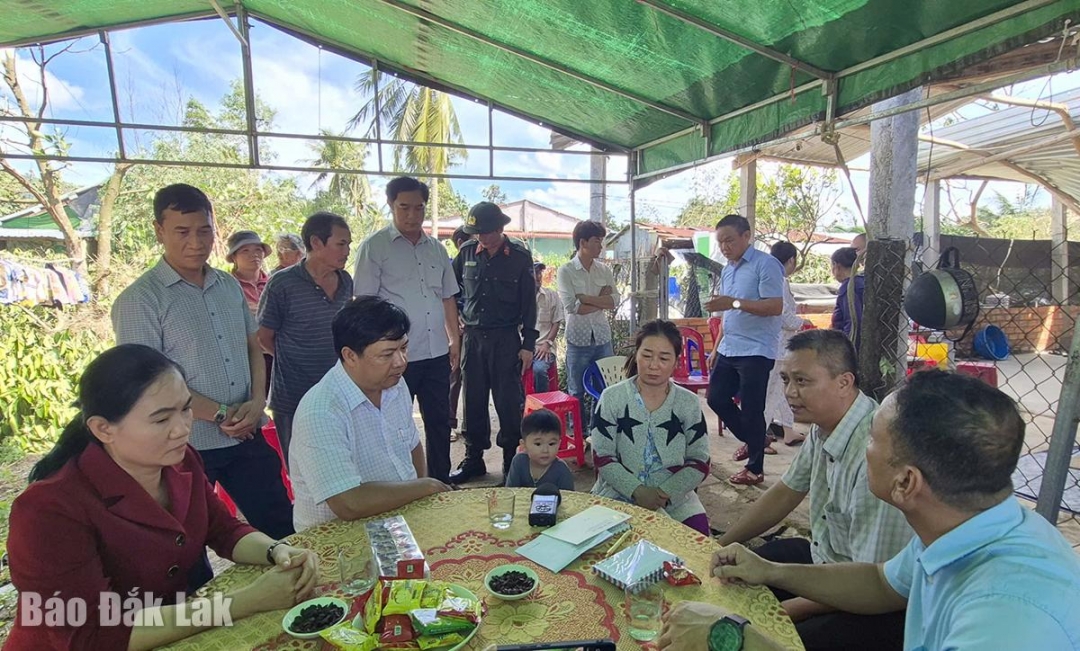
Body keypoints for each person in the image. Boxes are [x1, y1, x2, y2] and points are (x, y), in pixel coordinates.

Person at [662, 370, 1080, 651]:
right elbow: (882, 582)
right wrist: (771, 571)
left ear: (906, 482)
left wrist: (732, 636)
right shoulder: (968, 527)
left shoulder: (1006, 617)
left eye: (873, 441)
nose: (864, 446)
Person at [5, 344, 319, 651]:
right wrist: (245, 601)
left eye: (185, 409)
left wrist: (277, 551)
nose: (181, 429)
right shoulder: (48, 510)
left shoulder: (181, 461)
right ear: (103, 429)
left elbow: (223, 529)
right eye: (161, 419)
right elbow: (93, 635)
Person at [112, 183, 293, 540]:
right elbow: (149, 384)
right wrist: (223, 414)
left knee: (281, 528)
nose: (195, 242)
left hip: (247, 435)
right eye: (182, 232)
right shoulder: (140, 301)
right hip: (183, 445)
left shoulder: (227, 286)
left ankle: (293, 593)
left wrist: (258, 403)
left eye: (204, 230)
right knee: (184, 543)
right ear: (159, 231)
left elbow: (253, 345)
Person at [717, 329, 912, 650]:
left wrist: (780, 612)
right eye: (786, 380)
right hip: (825, 557)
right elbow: (786, 491)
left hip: (870, 601)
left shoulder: (877, 460)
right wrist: (720, 543)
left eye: (803, 381)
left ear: (844, 383)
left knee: (761, 636)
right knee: (732, 576)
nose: (790, 393)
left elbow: (873, 583)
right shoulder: (826, 427)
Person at [289, 296, 452, 531]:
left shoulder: (395, 384)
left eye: (404, 348)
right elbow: (348, 503)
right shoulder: (321, 411)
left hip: (397, 522)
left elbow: (412, 446)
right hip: (337, 541)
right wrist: (424, 488)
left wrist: (417, 496)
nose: (401, 362)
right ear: (350, 356)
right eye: (387, 355)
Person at [353, 177, 461, 483]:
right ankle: (400, 484)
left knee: (440, 420)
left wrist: (454, 341)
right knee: (395, 421)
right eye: (404, 208)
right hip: (395, 357)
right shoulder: (374, 247)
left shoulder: (437, 249)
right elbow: (364, 303)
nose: (412, 215)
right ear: (390, 205)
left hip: (436, 351)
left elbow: (447, 298)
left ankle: (439, 480)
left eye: (418, 208)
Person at [591, 319, 712, 535]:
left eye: (664, 358)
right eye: (646, 355)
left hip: (676, 500)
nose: (654, 365)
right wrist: (636, 490)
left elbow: (700, 459)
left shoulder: (688, 402)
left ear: (676, 362)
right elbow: (602, 455)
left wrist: (665, 493)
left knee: (697, 545)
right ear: (636, 355)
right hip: (617, 493)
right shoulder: (612, 398)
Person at [450, 202, 538, 482]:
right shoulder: (465, 254)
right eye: (477, 233)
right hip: (473, 340)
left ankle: (511, 462)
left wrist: (528, 344)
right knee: (473, 401)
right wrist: (456, 322)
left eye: (487, 232)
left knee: (508, 402)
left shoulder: (519, 257)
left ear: (500, 229)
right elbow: (449, 292)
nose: (482, 238)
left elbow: (529, 304)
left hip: (506, 339)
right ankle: (474, 459)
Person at [257, 212, 353, 465]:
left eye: (349, 244)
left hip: (337, 390)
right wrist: (295, 357)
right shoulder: (282, 283)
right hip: (293, 395)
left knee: (341, 463)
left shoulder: (346, 281)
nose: (347, 251)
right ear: (317, 243)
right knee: (301, 469)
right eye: (341, 244)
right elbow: (264, 337)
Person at [704, 214, 784, 486]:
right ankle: (755, 440)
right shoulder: (728, 269)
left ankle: (755, 468)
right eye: (721, 242)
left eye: (729, 240)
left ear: (746, 236)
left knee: (752, 409)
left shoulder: (767, 264)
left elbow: (775, 306)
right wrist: (716, 347)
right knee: (715, 398)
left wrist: (734, 303)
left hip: (756, 349)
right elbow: (727, 313)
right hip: (730, 346)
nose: (725, 247)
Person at [557, 220, 619, 425]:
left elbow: (614, 301)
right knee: (576, 390)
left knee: (604, 386)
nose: (601, 246)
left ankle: (597, 431)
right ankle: (579, 434)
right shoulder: (566, 270)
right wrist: (600, 301)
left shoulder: (604, 270)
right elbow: (572, 307)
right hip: (578, 339)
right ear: (582, 242)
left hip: (602, 337)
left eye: (601, 241)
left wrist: (586, 298)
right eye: (597, 241)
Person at [763, 242, 810, 447]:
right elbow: (782, 314)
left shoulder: (775, 279)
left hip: (780, 346)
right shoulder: (779, 281)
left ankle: (788, 430)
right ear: (791, 260)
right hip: (777, 346)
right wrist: (802, 323)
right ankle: (759, 437)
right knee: (770, 395)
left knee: (781, 390)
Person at [504, 408, 576, 491]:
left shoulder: (562, 470)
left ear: (559, 444)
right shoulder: (519, 462)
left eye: (551, 444)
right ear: (524, 445)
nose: (545, 450)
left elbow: (569, 499)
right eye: (538, 444)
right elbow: (510, 492)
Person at [449, 226, 472, 442]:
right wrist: (456, 323)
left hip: (474, 332)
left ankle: (469, 424)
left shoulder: (479, 264)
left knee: (472, 378)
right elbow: (447, 299)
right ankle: (450, 423)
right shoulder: (452, 267)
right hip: (456, 331)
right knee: (454, 376)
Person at [532, 261, 565, 393]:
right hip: (523, 348)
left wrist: (548, 343)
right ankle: (521, 406)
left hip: (544, 347)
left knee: (539, 370)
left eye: (540, 272)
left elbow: (556, 322)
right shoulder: (518, 297)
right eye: (534, 272)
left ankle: (542, 404)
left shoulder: (551, 295)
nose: (538, 276)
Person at [227, 230, 271, 316]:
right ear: (233, 257)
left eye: (258, 249)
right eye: (245, 251)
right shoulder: (227, 285)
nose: (254, 254)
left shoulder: (273, 283)